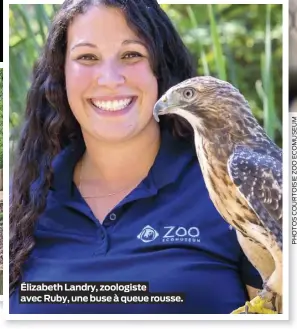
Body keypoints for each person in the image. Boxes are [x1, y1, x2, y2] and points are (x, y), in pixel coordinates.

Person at [9, 0, 263, 314]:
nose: (110, 78)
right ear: (61, 74)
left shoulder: (236, 186)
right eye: (87, 57)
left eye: (131, 55)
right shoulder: (20, 206)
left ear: (162, 68)